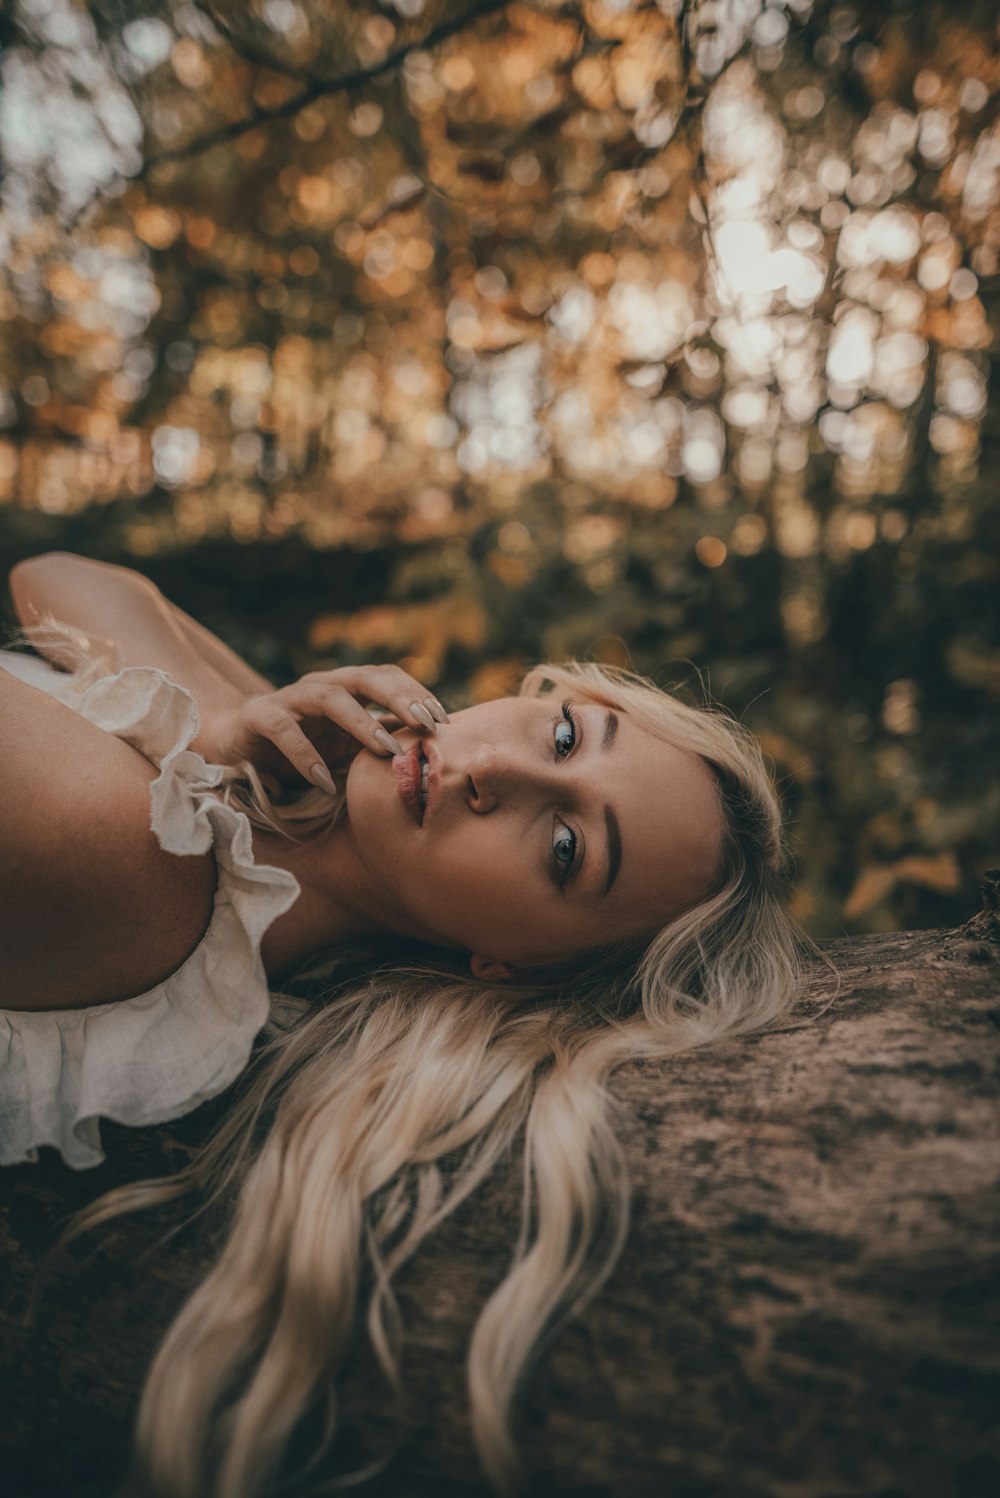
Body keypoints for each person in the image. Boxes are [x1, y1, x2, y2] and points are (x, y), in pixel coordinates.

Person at [1, 550, 808, 1498]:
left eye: (562, 848)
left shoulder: (141, 856)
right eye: (561, 735)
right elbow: (62, 579)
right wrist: (221, 720)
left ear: (513, 967)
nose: (489, 769)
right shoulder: (275, 776)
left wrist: (214, 727)